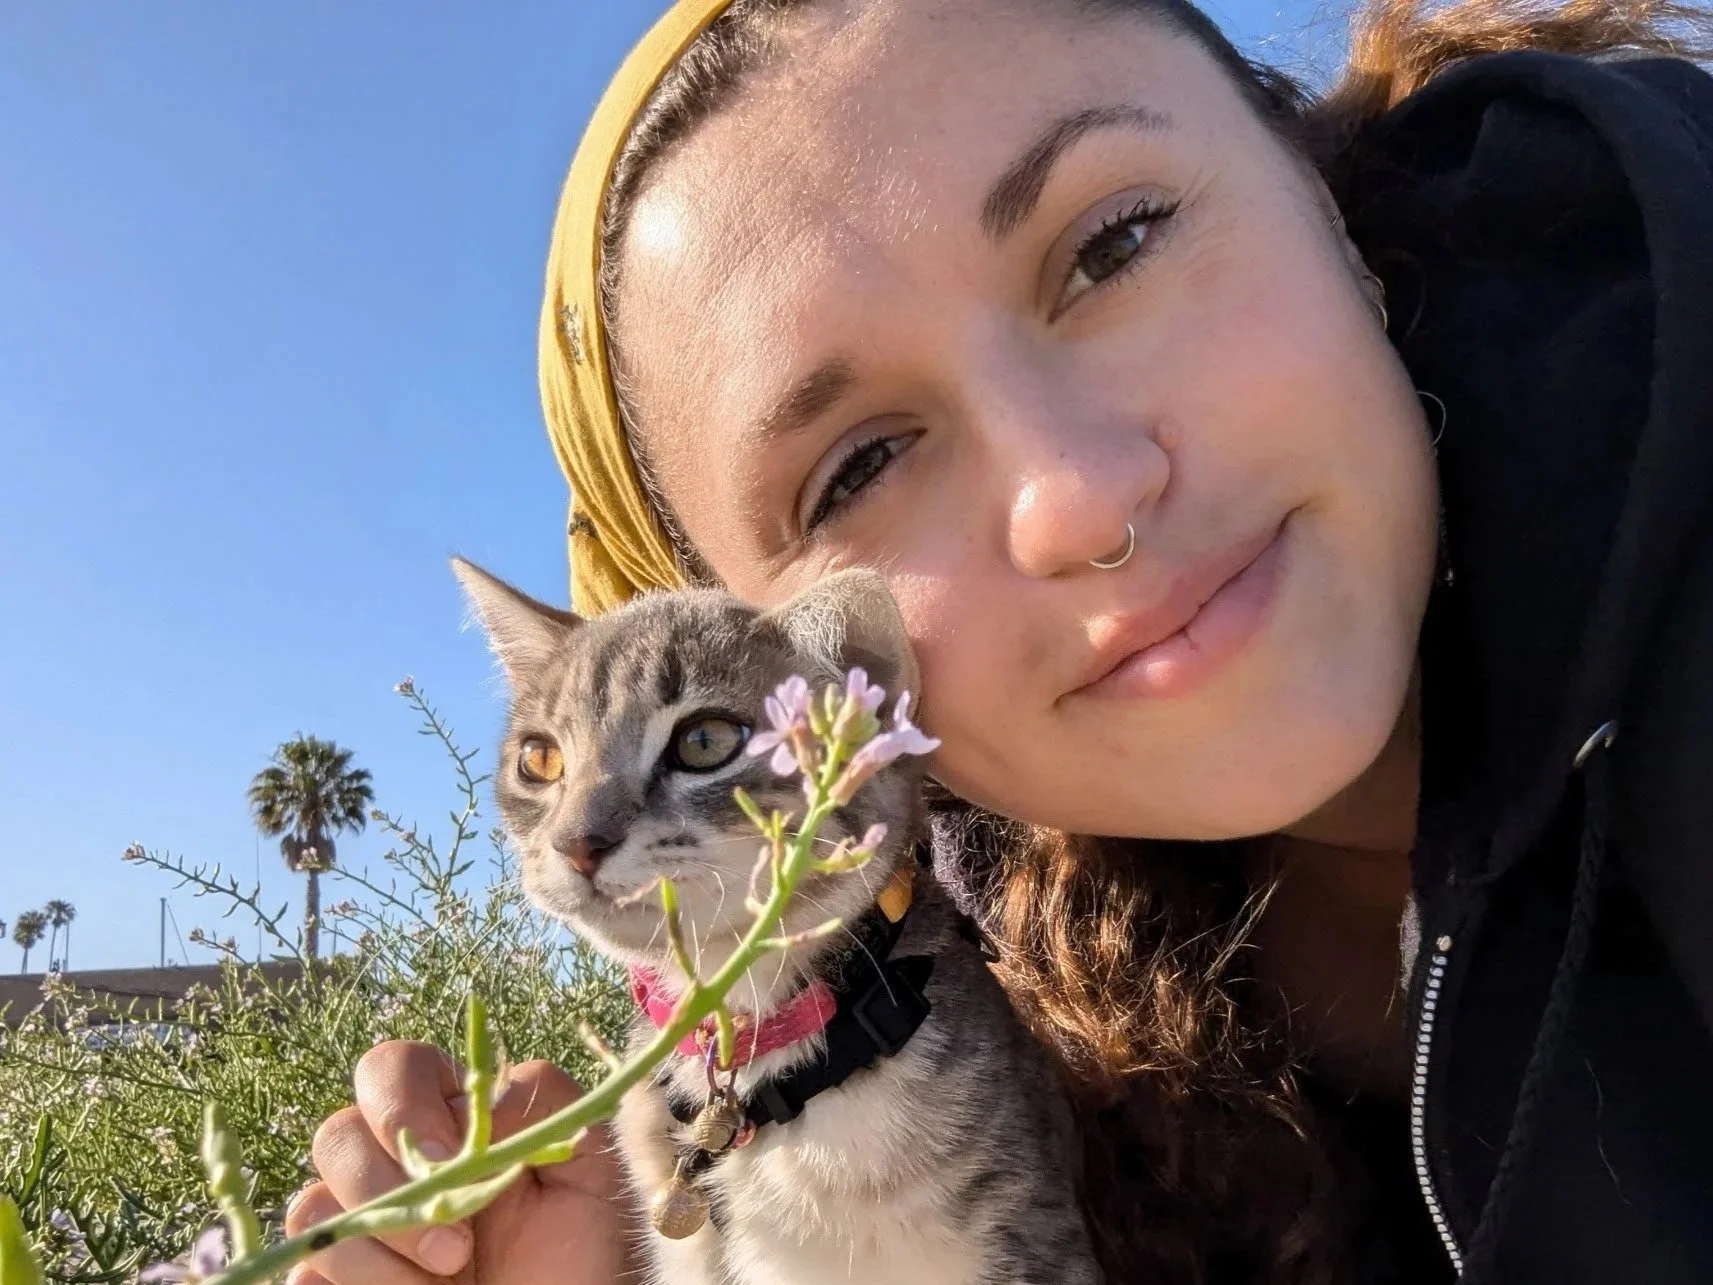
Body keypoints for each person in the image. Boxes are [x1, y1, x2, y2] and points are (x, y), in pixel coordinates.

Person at [283, 0, 1713, 1279]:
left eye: (1115, 245)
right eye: (861, 468)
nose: (1077, 497)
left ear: (1331, 213)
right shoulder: (1013, 1024)